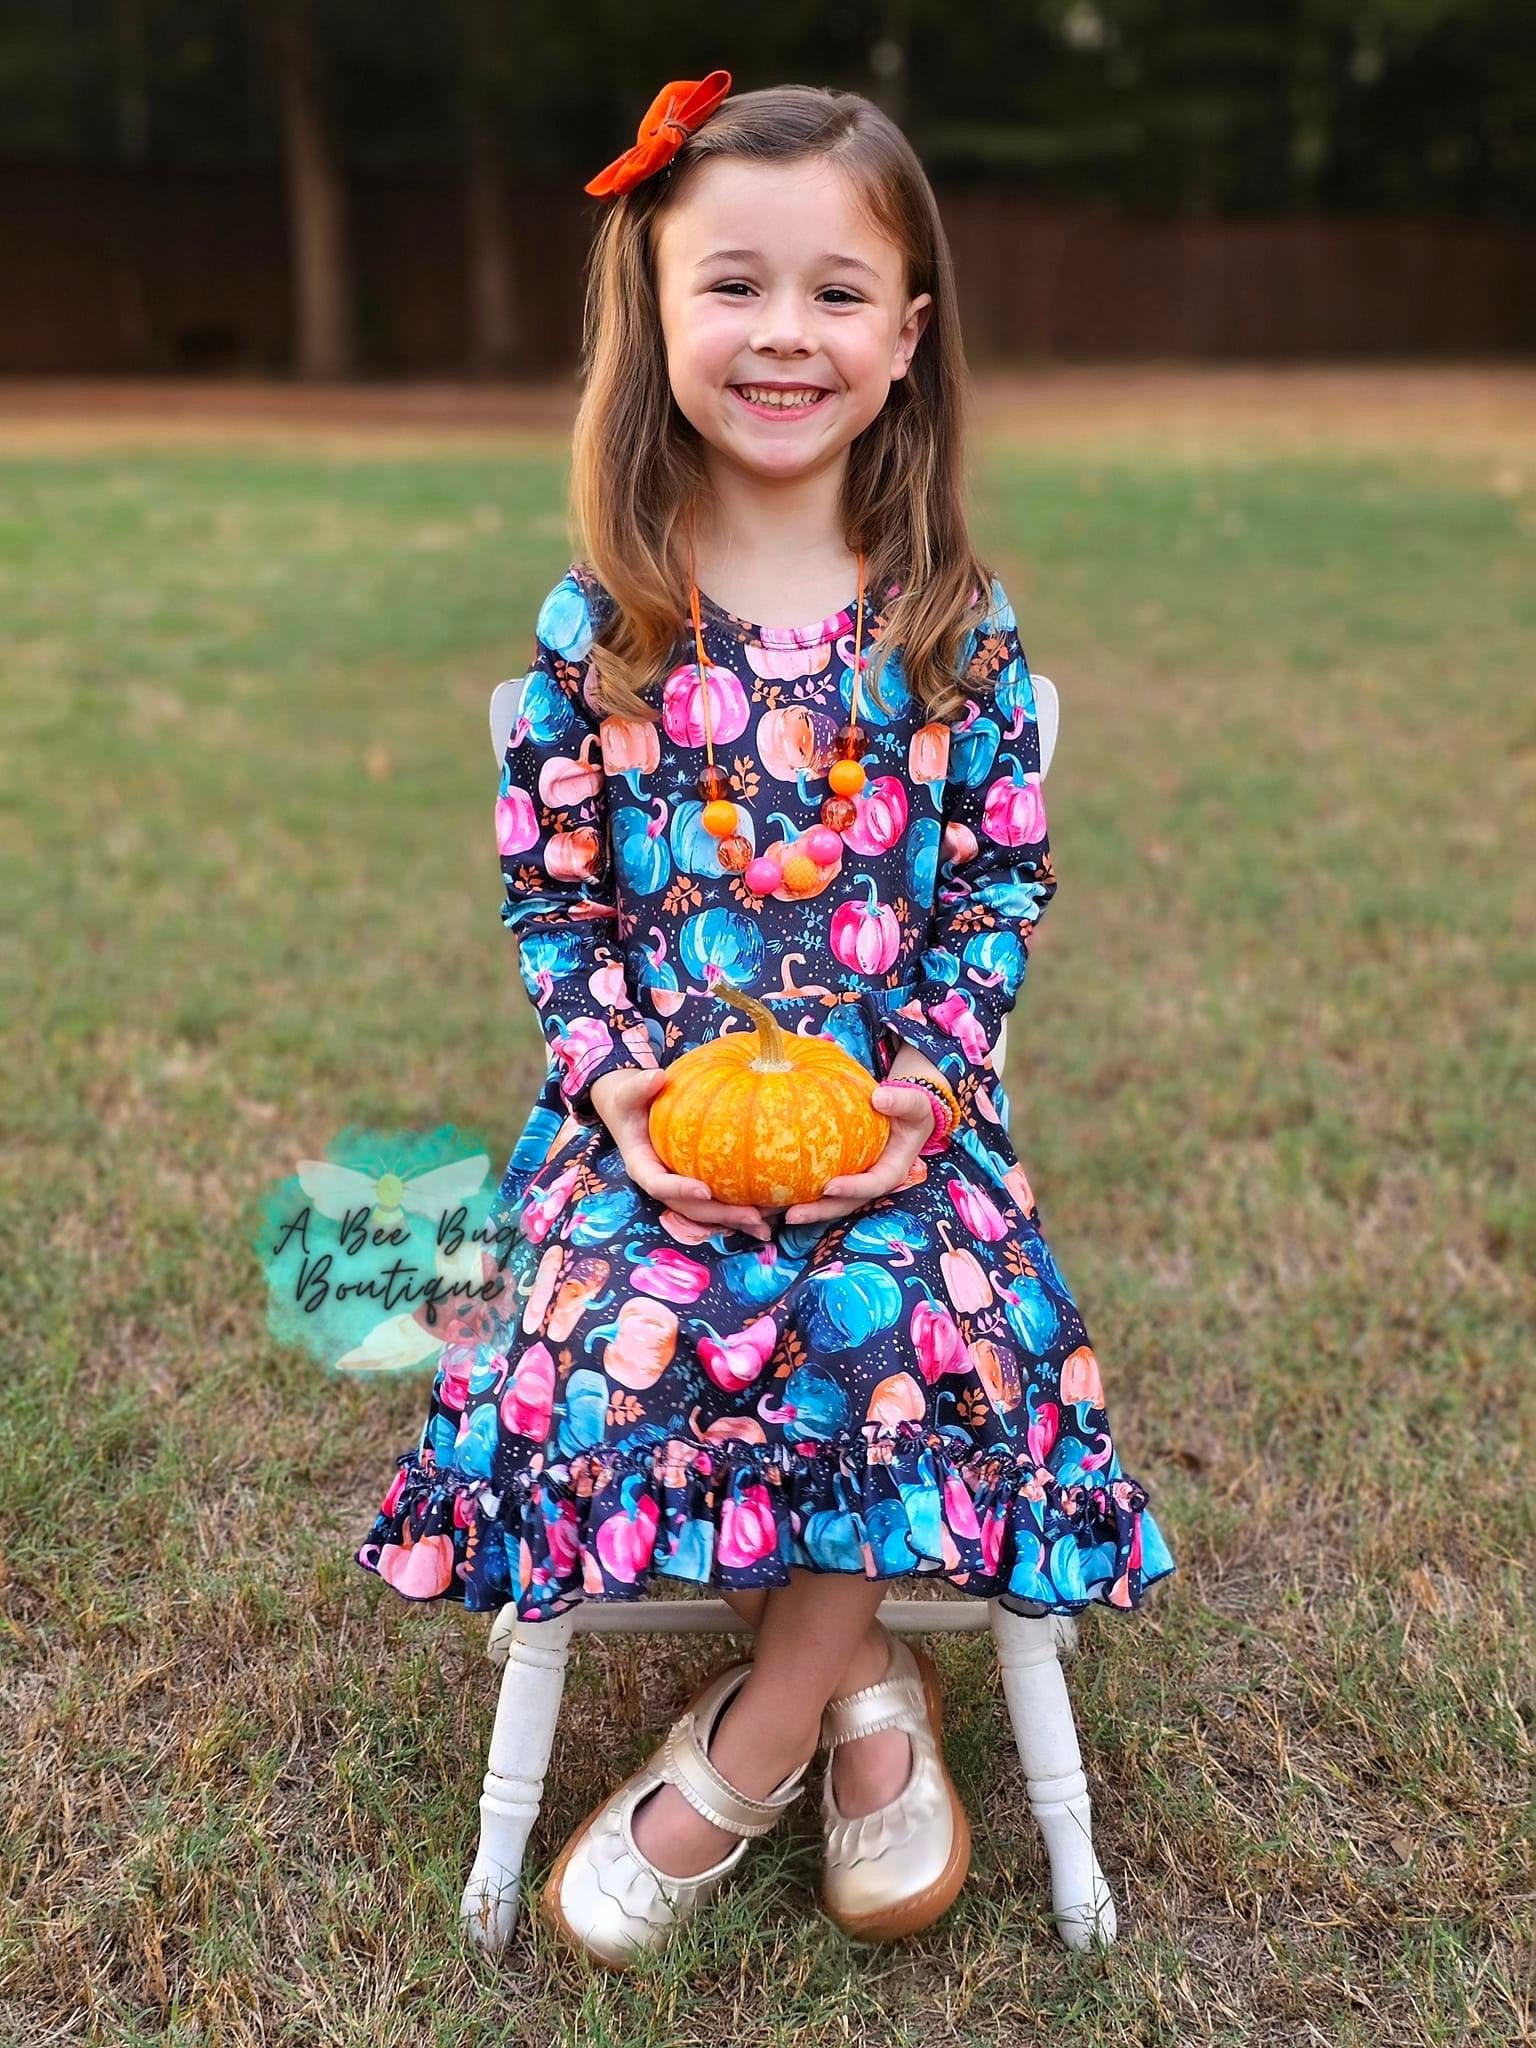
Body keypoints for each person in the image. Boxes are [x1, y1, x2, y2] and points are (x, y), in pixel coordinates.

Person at [354, 68, 1177, 1967]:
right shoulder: (606, 626)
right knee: (615, 1339)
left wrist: (924, 1093)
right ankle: (872, 1677)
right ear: (654, 316)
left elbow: (992, 898)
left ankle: (748, 1741)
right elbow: (556, 901)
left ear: (906, 340)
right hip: (653, 1138)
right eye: (734, 284)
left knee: (930, 1334)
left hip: (897, 1131)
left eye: (834, 293)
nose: (784, 333)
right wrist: (624, 1098)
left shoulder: (955, 631)